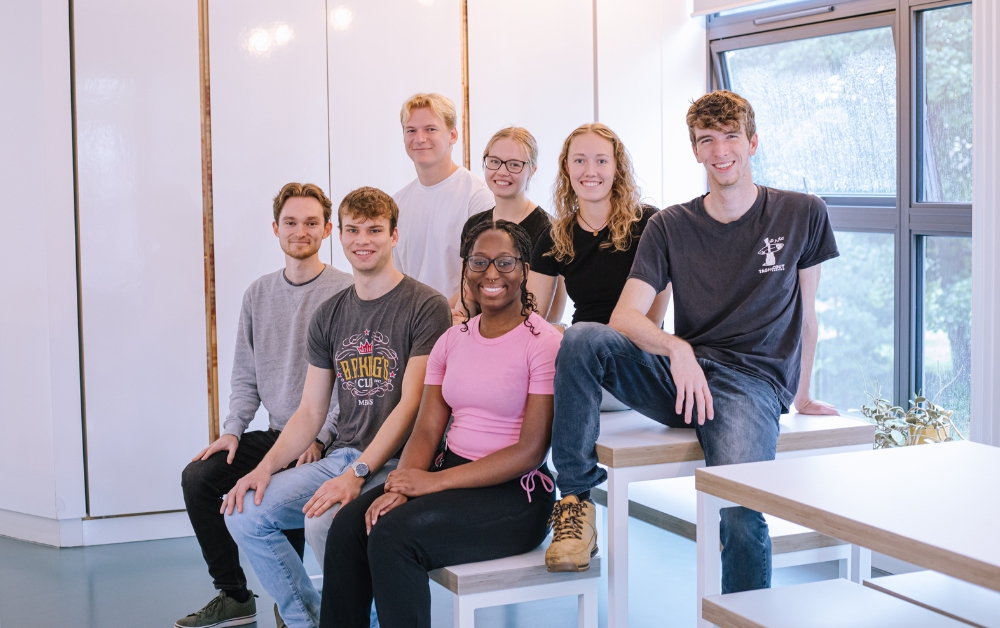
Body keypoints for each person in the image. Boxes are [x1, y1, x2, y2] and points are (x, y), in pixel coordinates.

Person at [544, 91, 840, 595]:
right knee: (583, 338)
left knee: (741, 512)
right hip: (684, 376)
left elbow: (807, 315)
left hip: (751, 384)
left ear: (752, 142)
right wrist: (677, 349)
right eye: (707, 140)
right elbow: (624, 316)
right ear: (696, 151)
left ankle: (746, 617)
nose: (720, 150)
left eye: (730, 137)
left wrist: (802, 392)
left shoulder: (801, 213)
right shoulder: (670, 225)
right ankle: (575, 500)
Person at [221, 187, 452, 628]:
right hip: (343, 455)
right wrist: (265, 468)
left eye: (374, 230)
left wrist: (358, 473)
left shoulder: (426, 306)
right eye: (353, 230)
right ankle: (311, 619)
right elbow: (310, 412)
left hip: (399, 461)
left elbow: (411, 405)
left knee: (321, 524)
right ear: (339, 235)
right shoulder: (329, 314)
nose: (362, 240)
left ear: (394, 236)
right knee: (246, 512)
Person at [320, 220, 562, 628]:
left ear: (523, 269)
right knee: (347, 527)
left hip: (515, 495)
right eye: (479, 262)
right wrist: (404, 484)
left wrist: (429, 484)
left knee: (393, 538)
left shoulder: (545, 343)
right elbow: (428, 430)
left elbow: (530, 450)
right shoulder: (452, 341)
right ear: (465, 269)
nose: (491, 274)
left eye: (505, 262)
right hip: (449, 475)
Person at [177, 183, 353, 628]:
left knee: (279, 491)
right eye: (291, 222)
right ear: (276, 229)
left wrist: (321, 436)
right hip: (280, 432)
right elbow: (244, 375)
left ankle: (291, 600)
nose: (301, 231)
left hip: (327, 440)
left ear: (327, 229)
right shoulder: (258, 294)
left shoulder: (346, 291)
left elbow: (352, 382)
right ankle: (235, 596)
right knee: (199, 478)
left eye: (312, 222)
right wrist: (233, 429)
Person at [527, 123, 671, 328]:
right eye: (579, 160)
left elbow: (653, 321)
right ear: (567, 167)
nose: (590, 171)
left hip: (639, 350)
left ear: (617, 168)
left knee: (577, 335)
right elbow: (531, 321)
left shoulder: (649, 223)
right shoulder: (555, 236)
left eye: (601, 161)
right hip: (580, 350)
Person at [392, 93, 495, 305]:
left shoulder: (477, 197)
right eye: (411, 130)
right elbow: (395, 278)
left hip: (460, 323)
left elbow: (481, 275)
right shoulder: (397, 204)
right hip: (413, 327)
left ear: (453, 135)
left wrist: (436, 317)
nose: (420, 139)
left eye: (431, 129)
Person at [457, 126, 563, 320]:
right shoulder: (473, 226)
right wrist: (459, 321)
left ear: (532, 170)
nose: (502, 172)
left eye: (514, 165)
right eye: (494, 162)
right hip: (477, 334)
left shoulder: (550, 230)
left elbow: (548, 316)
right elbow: (467, 298)